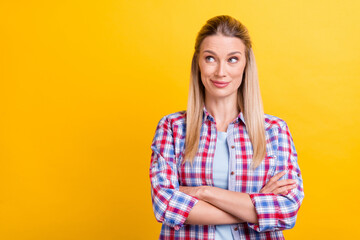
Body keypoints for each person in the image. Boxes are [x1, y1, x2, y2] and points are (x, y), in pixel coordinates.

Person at [149, 15, 304, 240]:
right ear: (198, 63)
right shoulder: (172, 128)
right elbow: (166, 207)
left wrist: (203, 192)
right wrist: (255, 205)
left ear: (246, 64)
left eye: (232, 59)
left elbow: (286, 211)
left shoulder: (274, 131)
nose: (221, 72)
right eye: (211, 58)